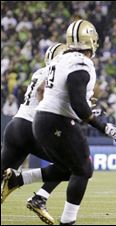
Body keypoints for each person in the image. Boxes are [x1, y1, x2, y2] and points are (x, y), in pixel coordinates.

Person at [1, 19, 116, 225]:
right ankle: (65, 219)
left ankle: (21, 183)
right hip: (54, 120)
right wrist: (103, 125)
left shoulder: (59, 61)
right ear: (90, 40)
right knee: (83, 168)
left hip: (35, 119)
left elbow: (49, 93)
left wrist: (84, 110)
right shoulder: (81, 62)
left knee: (72, 166)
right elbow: (78, 105)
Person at [1, 43, 67, 225]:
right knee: (73, 164)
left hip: (16, 125)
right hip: (33, 127)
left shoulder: (39, 72)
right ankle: (40, 197)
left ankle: (19, 182)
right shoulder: (59, 73)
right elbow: (43, 93)